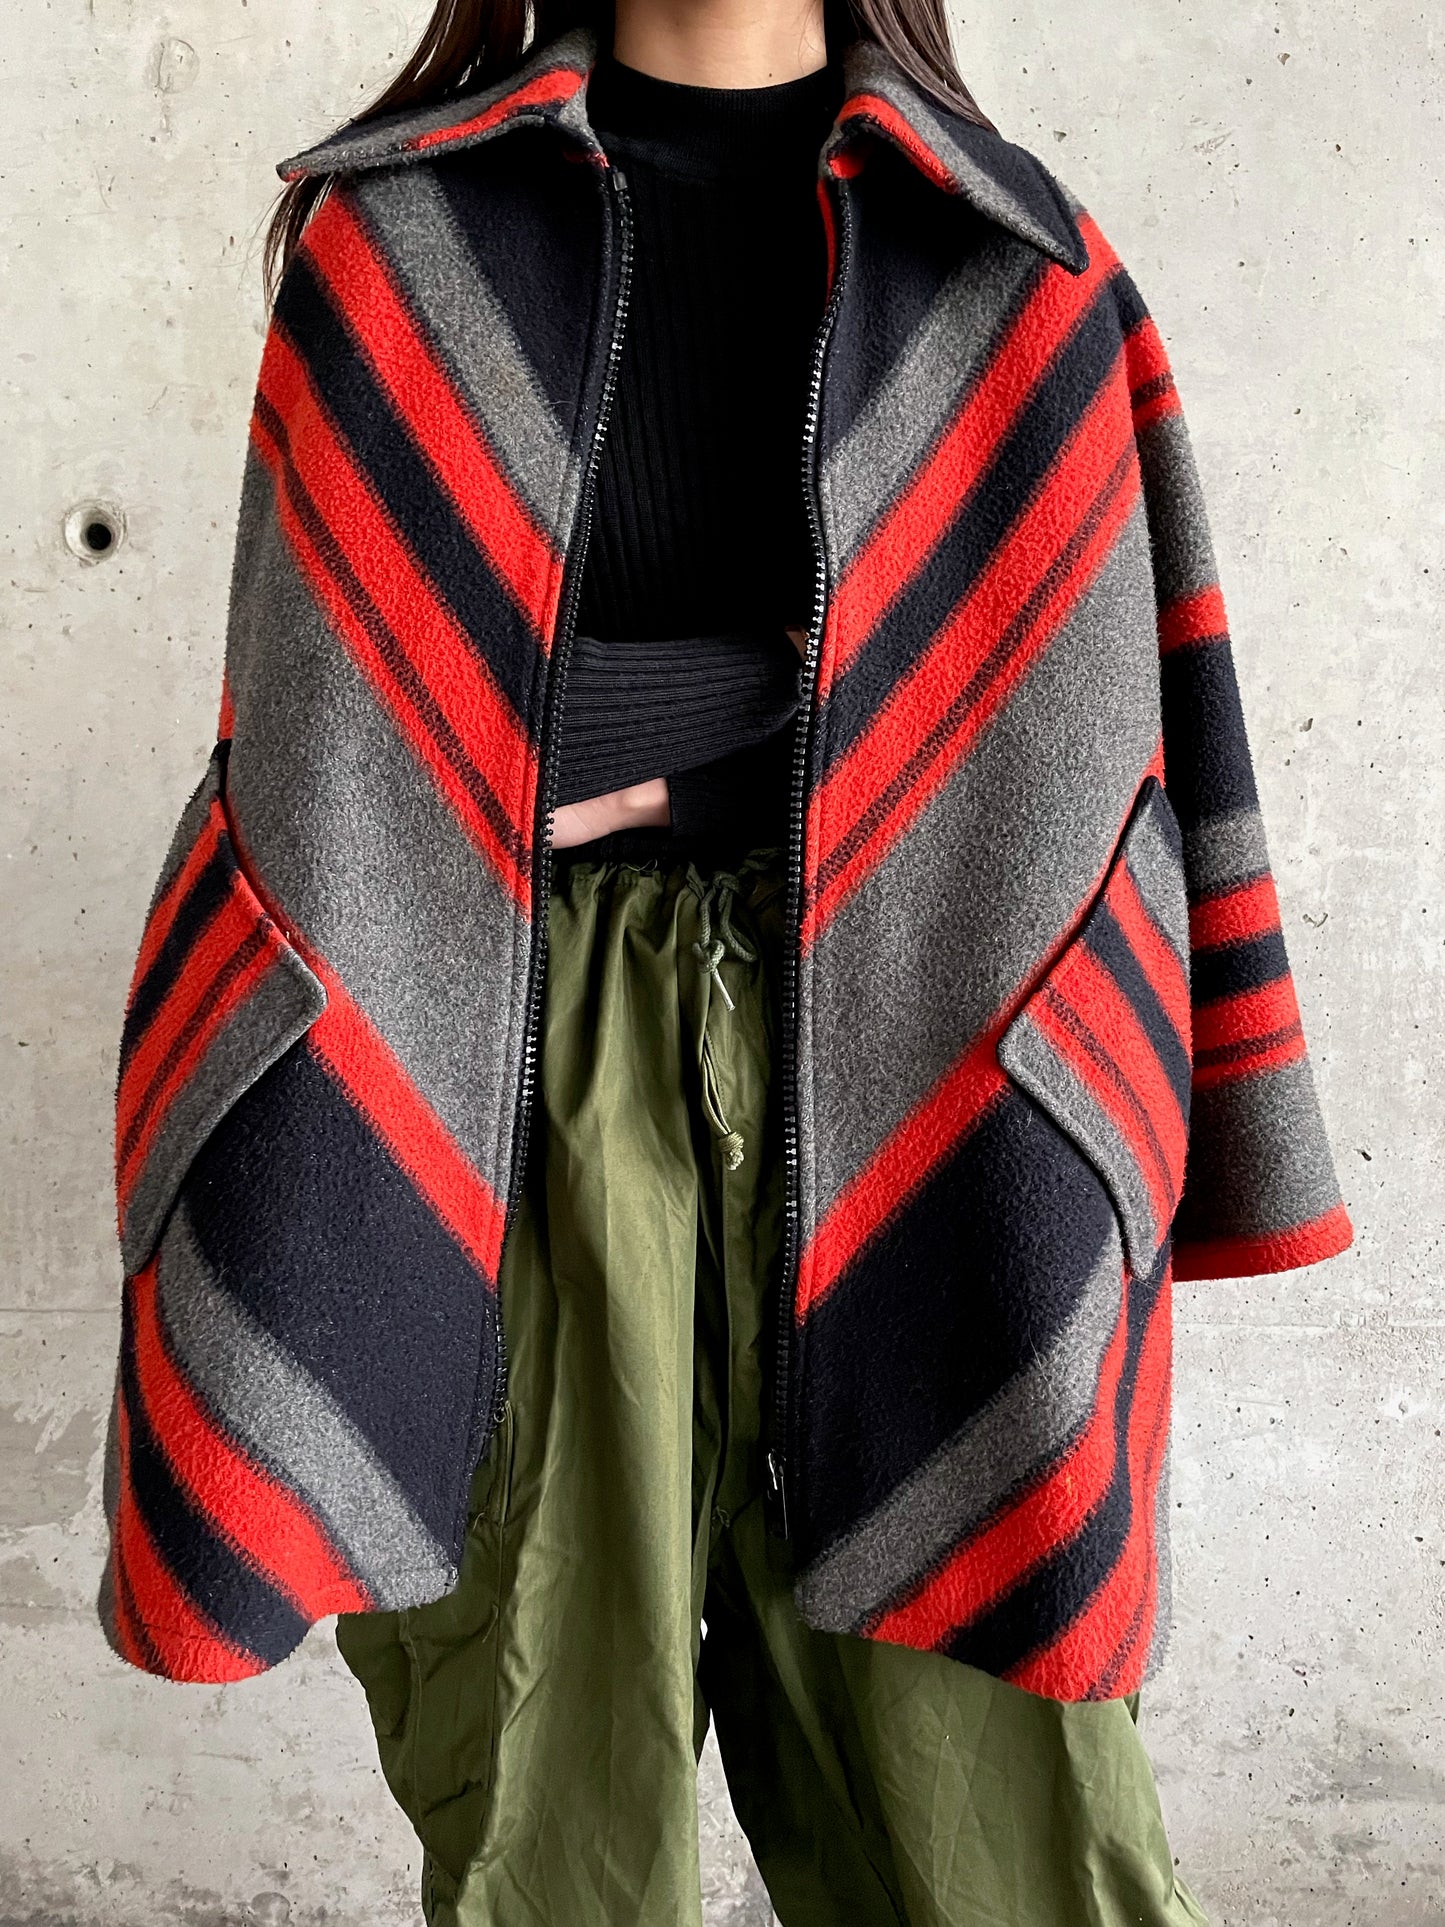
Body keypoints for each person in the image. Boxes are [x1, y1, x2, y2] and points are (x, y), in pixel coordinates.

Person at [99, 0, 1356, 1920]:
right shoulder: (403, 244)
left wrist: (687, 723)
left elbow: (1095, 731)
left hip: (941, 1068)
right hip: (507, 1081)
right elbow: (353, 750)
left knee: (1013, 1849)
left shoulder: (1011, 262)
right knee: (551, 1833)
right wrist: (803, 699)